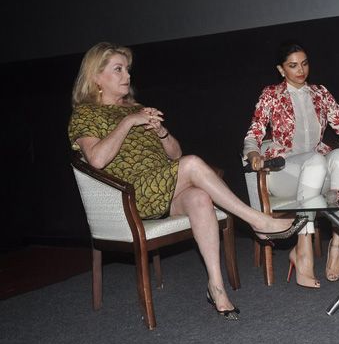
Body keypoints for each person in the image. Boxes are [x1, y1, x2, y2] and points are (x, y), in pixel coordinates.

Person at [68, 42, 307, 321]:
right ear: (96, 76)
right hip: (131, 195)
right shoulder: (86, 114)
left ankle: (216, 287)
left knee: (200, 198)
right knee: (192, 164)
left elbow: (175, 155)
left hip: (164, 187)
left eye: (128, 69)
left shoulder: (137, 108)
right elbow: (95, 160)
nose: (127, 76)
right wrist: (128, 123)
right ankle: (257, 221)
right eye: (118, 69)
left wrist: (161, 132)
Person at [243, 41, 339, 288]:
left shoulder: (320, 93)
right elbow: (253, 134)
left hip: (317, 164)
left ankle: (337, 245)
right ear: (281, 70)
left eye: (304, 63)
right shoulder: (271, 95)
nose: (300, 70)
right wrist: (254, 154)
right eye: (292, 66)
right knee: (315, 161)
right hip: (283, 171)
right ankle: (304, 250)